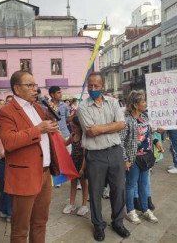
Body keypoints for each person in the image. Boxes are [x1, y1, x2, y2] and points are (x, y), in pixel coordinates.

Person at [0, 70, 59, 243]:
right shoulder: (6, 112)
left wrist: (49, 119)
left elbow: (43, 134)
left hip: (45, 172)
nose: (35, 89)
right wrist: (38, 129)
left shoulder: (37, 107)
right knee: (20, 228)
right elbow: (9, 142)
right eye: (30, 85)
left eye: (35, 85)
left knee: (40, 222)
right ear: (17, 89)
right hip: (25, 175)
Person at [77, 72, 130, 241]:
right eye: (90, 86)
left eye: (96, 86)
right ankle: (98, 225)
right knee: (95, 192)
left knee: (119, 189)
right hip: (95, 155)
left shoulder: (114, 103)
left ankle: (118, 222)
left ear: (103, 87)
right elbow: (89, 131)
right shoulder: (83, 107)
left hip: (115, 152)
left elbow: (121, 125)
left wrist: (100, 128)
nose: (93, 89)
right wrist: (111, 126)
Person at [120, 90, 163, 225]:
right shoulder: (126, 120)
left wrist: (156, 139)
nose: (145, 103)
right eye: (143, 101)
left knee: (144, 185)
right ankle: (131, 211)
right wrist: (125, 160)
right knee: (131, 185)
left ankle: (145, 210)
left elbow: (147, 134)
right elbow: (120, 141)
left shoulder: (144, 117)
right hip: (133, 159)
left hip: (146, 157)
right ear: (135, 104)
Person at [62, 116, 89, 216]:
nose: (73, 129)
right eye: (72, 127)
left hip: (82, 164)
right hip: (73, 163)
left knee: (83, 184)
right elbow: (64, 143)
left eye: (75, 127)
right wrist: (57, 133)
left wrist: (82, 168)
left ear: (81, 127)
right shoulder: (72, 135)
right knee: (73, 183)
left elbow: (85, 156)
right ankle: (71, 203)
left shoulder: (83, 138)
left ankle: (84, 205)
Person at [49, 86, 71, 188]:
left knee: (71, 157)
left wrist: (74, 115)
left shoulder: (65, 106)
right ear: (52, 95)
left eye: (60, 92)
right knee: (57, 158)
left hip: (65, 134)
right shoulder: (46, 106)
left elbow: (68, 119)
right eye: (58, 93)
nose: (60, 94)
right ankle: (59, 179)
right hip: (54, 136)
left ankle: (77, 180)